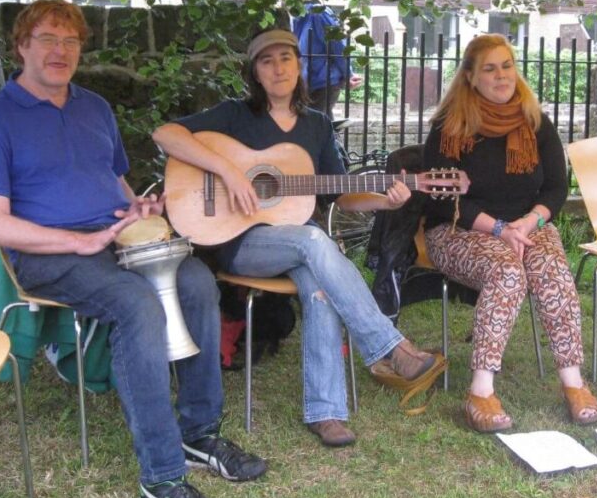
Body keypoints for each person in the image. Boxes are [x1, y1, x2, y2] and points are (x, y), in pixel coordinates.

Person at [0, 0, 265, 498]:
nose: (60, 51)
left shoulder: (94, 107)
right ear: (21, 47)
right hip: (49, 256)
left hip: (116, 240)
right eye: (47, 39)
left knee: (196, 282)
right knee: (136, 304)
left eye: (71, 40)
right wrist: (75, 243)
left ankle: (198, 432)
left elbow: (115, 182)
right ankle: (162, 478)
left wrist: (137, 209)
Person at [152, 28, 445, 448]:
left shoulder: (317, 126)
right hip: (241, 243)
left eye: (285, 58)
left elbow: (341, 195)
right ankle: (388, 347)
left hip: (301, 247)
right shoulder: (236, 116)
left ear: (299, 65)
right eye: (267, 61)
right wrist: (229, 170)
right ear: (255, 71)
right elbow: (165, 135)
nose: (278, 68)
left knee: (320, 285)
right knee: (313, 242)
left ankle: (326, 412)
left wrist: (387, 202)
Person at [422, 34, 597, 433]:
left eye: (507, 65)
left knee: (553, 270)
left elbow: (556, 187)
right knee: (506, 271)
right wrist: (499, 229)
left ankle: (573, 383)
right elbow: (440, 200)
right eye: (490, 68)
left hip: (526, 224)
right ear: (470, 76)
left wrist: (530, 222)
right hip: (460, 230)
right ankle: (480, 392)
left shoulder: (533, 119)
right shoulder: (449, 127)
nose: (502, 75)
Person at [292, 3, 363, 117]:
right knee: (319, 124)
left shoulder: (301, 15)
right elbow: (337, 45)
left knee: (317, 123)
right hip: (321, 79)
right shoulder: (318, 13)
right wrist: (348, 74)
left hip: (315, 80)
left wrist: (348, 74)